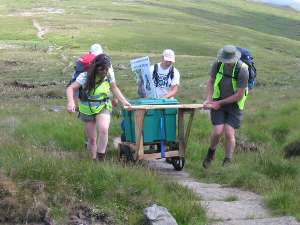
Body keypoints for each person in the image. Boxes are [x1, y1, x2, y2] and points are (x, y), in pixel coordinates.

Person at [66, 53, 131, 161]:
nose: (104, 72)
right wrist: (71, 102)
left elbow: (114, 88)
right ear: (95, 67)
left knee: (104, 129)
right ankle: (93, 159)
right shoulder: (84, 76)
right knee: (92, 139)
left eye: (106, 69)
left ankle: (100, 158)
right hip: (87, 109)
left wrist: (124, 101)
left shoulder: (108, 75)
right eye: (102, 70)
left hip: (103, 105)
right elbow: (70, 88)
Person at [202, 45, 249, 168]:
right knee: (217, 131)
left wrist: (219, 103)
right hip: (218, 101)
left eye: (229, 62)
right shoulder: (217, 64)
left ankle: (227, 160)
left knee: (229, 133)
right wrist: (209, 98)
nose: (227, 63)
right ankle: (210, 154)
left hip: (235, 104)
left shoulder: (243, 70)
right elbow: (211, 81)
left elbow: (239, 95)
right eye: (225, 61)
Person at [69, 43, 118, 108]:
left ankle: (77, 108)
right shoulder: (105, 62)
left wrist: (72, 102)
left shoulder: (82, 60)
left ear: (89, 52)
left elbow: (74, 79)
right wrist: (115, 98)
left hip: (82, 88)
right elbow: (113, 84)